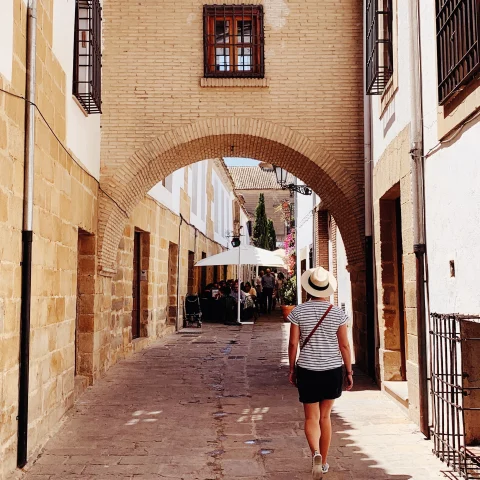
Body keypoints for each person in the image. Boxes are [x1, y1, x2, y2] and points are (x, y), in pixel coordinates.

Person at [287, 267, 353, 479]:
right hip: (331, 369)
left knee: (310, 417)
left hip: (307, 369)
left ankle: (314, 452)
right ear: (327, 289)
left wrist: (291, 368)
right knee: (325, 416)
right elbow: (344, 346)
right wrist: (349, 371)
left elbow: (293, 343)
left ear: (309, 288)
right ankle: (323, 462)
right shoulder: (337, 313)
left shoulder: (298, 311)